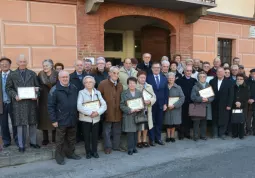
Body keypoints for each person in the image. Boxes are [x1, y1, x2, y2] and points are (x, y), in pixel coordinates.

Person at [6, 54, 40, 152]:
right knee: (21, 125)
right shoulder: (12, 74)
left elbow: (38, 87)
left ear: (27, 62)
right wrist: (15, 95)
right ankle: (21, 145)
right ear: (17, 63)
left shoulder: (32, 73)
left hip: (31, 103)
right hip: (18, 104)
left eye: (24, 61)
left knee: (33, 124)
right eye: (20, 62)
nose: (22, 63)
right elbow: (8, 88)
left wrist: (36, 95)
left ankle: (33, 142)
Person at [48, 70, 81, 165]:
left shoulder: (74, 87)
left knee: (72, 138)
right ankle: (59, 156)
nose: (65, 79)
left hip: (73, 117)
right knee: (60, 140)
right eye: (63, 77)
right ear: (59, 78)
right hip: (61, 119)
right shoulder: (54, 90)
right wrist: (53, 120)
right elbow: (50, 106)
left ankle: (70, 153)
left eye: (66, 77)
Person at [77, 76, 107, 159]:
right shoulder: (81, 92)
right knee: (86, 137)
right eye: (86, 82)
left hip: (96, 119)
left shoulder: (98, 92)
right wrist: (90, 113)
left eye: (90, 82)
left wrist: (97, 112)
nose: (88, 83)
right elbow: (79, 106)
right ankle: (88, 152)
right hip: (85, 119)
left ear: (94, 83)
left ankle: (94, 151)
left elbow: (104, 105)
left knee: (95, 136)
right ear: (84, 84)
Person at [98, 66, 124, 154]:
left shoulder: (120, 85)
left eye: (117, 73)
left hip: (118, 112)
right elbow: (98, 97)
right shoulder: (103, 83)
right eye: (114, 73)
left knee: (117, 131)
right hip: (107, 111)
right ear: (109, 73)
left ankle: (116, 146)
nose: (116, 75)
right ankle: (108, 147)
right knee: (106, 131)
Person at [120, 77, 145, 155]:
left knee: (135, 132)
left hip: (137, 115)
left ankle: (134, 147)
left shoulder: (139, 92)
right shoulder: (124, 93)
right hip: (128, 115)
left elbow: (142, 103)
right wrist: (130, 110)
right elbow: (121, 105)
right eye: (130, 83)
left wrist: (140, 108)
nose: (132, 84)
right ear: (127, 84)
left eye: (133, 83)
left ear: (136, 84)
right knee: (130, 133)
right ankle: (130, 148)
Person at [146, 62, 168, 146]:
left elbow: (166, 92)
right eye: (154, 67)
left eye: (158, 68)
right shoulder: (148, 78)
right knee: (151, 122)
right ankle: (152, 139)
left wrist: (165, 103)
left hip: (161, 104)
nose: (156, 69)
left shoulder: (164, 78)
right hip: (151, 104)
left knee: (159, 122)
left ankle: (158, 138)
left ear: (160, 69)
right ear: (152, 69)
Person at [38, 59, 58, 145]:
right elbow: (37, 85)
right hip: (43, 98)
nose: (45, 67)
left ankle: (54, 137)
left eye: (47, 65)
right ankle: (45, 138)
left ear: (51, 66)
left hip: (55, 98)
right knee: (43, 119)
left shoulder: (57, 74)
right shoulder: (40, 74)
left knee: (55, 116)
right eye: (44, 65)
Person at [209, 67, 234, 139]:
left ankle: (222, 133)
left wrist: (229, 105)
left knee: (224, 119)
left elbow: (231, 95)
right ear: (216, 73)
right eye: (218, 72)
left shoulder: (229, 82)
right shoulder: (212, 81)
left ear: (224, 73)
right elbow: (209, 92)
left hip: (225, 104)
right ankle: (215, 134)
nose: (220, 73)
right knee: (214, 119)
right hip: (214, 104)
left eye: (221, 72)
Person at [191, 71, 214, 141]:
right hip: (198, 106)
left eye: (204, 77)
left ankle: (203, 135)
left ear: (206, 78)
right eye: (200, 76)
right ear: (198, 78)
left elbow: (212, 97)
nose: (202, 78)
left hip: (206, 106)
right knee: (196, 122)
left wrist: (208, 99)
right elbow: (192, 97)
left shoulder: (209, 86)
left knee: (204, 122)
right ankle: (195, 136)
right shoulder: (195, 86)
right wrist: (201, 99)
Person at [0, 57, 17, 148]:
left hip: (13, 102)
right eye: (2, 63)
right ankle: (6, 140)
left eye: (6, 63)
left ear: (10, 65)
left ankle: (17, 139)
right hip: (1, 104)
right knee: (3, 123)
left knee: (15, 122)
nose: (4, 65)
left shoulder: (15, 74)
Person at [136, 71, 156, 148]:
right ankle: (139, 141)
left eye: (144, 77)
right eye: (141, 77)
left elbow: (154, 97)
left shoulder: (149, 86)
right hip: (139, 109)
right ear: (137, 78)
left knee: (146, 125)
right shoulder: (135, 86)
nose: (143, 79)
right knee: (139, 125)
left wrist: (150, 101)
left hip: (147, 109)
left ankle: (144, 140)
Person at [176, 66, 197, 139]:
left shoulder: (194, 80)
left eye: (190, 71)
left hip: (191, 102)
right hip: (182, 102)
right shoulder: (179, 80)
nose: (189, 72)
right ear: (184, 71)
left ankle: (187, 133)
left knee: (188, 118)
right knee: (181, 118)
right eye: (187, 71)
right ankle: (181, 134)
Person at [164, 72, 185, 142]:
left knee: (173, 122)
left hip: (175, 108)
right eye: (169, 78)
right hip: (166, 107)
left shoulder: (178, 87)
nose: (170, 79)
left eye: (172, 78)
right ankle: (168, 136)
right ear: (167, 79)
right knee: (167, 122)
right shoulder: (164, 87)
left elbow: (182, 98)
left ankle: (172, 136)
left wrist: (174, 105)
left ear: (174, 79)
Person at [70, 60, 87, 142]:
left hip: (86, 102)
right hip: (74, 102)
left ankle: (84, 136)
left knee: (84, 120)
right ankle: (76, 137)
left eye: (81, 65)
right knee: (75, 120)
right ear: (75, 66)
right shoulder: (70, 77)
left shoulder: (88, 76)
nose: (80, 66)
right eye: (78, 65)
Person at [231, 74, 249, 139]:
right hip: (234, 105)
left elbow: (247, 97)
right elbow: (231, 96)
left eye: (240, 79)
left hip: (243, 106)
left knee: (241, 120)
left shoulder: (246, 87)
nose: (239, 80)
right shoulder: (233, 86)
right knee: (234, 120)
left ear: (243, 80)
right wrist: (235, 102)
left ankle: (241, 134)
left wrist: (240, 103)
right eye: (238, 79)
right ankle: (234, 134)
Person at [247, 69, 255, 135]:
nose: (254, 75)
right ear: (251, 74)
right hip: (248, 103)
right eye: (253, 74)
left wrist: (254, 99)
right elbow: (245, 92)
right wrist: (248, 99)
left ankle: (254, 130)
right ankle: (248, 130)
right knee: (248, 118)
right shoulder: (247, 81)